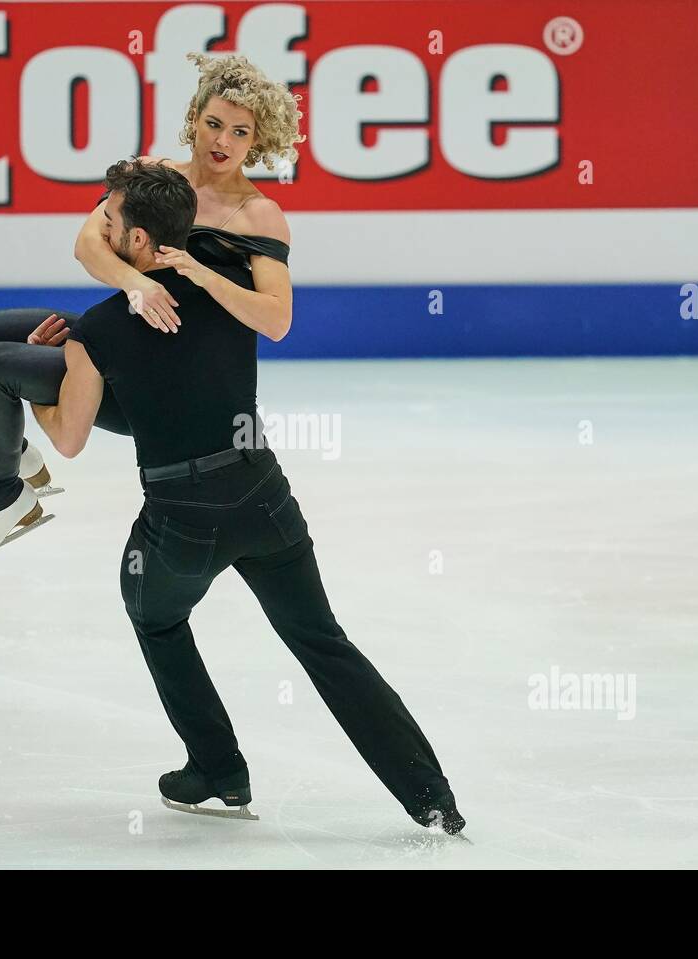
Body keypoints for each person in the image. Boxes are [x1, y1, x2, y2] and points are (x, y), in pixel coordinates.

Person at [30, 158, 466, 834]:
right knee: (323, 641)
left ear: (139, 240)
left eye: (110, 218)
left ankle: (218, 766)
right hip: (264, 498)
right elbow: (270, 314)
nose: (100, 227)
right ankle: (431, 793)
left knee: (155, 615)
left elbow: (68, 440)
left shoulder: (97, 331)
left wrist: (37, 391)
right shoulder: (233, 290)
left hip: (182, 520)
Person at [0, 53, 301, 563]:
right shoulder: (153, 177)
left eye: (240, 132)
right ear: (193, 118)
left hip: (161, 382)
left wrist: (201, 274)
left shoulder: (258, 215)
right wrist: (137, 284)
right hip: (116, 343)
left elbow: (277, 319)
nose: (222, 142)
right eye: (213, 123)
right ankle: (12, 458)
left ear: (257, 138)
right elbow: (88, 244)